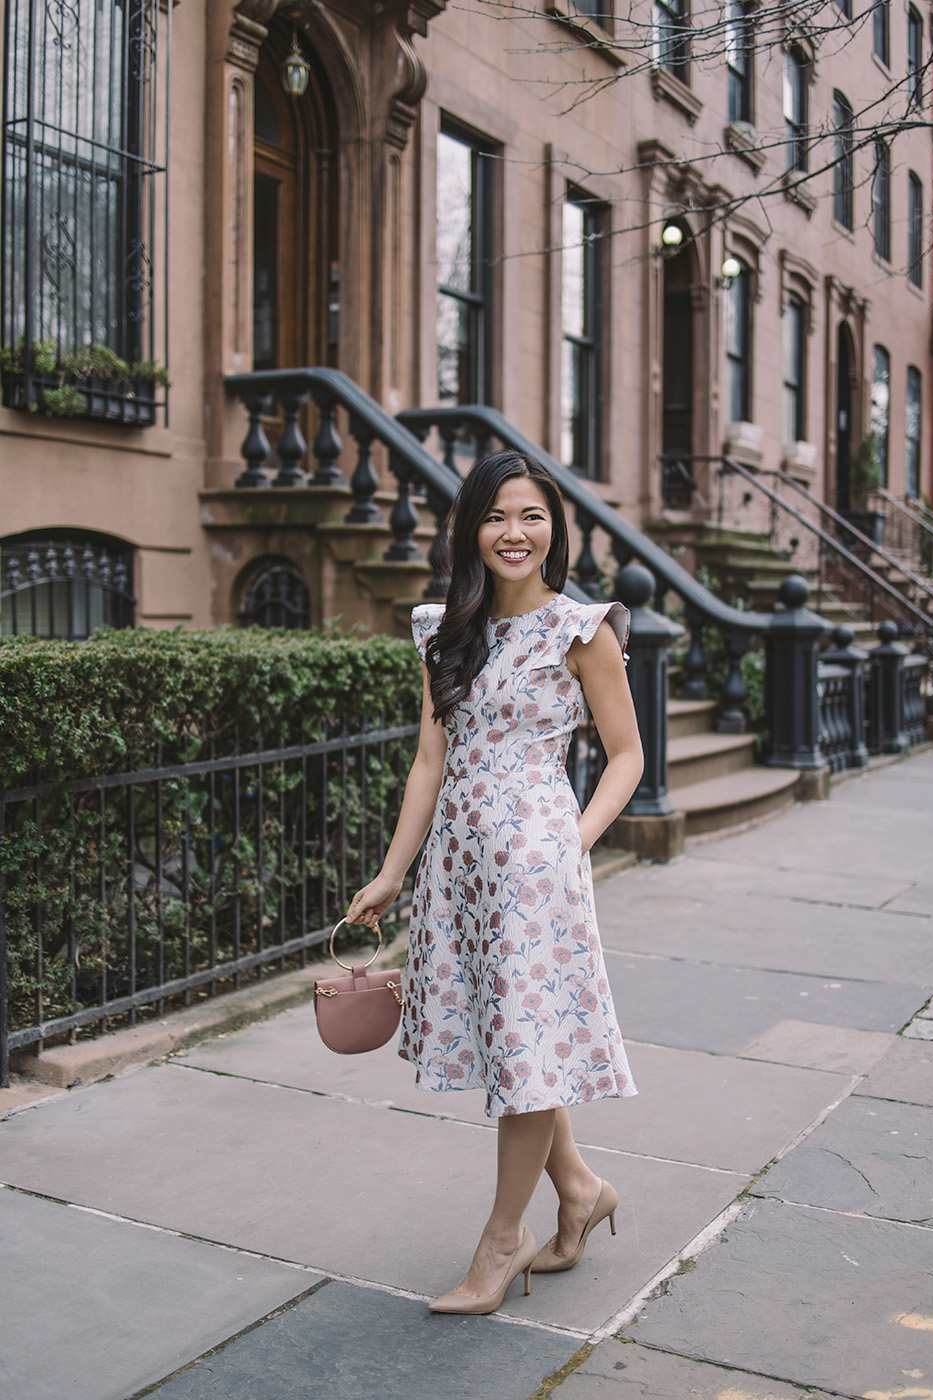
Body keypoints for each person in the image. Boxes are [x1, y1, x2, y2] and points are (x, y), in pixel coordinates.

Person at [347, 449, 643, 1315]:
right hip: (458, 873)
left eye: (533, 516)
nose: (515, 534)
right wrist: (391, 873)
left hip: (535, 872)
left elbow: (626, 757)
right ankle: (580, 1190)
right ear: (471, 528)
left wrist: (573, 843)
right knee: (514, 1044)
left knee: (521, 1050)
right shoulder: (444, 629)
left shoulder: (582, 631)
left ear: (555, 529)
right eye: (497, 516)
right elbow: (429, 759)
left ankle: (502, 1243)